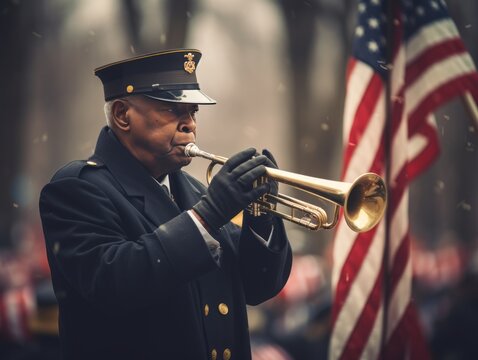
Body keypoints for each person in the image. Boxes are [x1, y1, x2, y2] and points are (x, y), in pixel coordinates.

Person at [39, 48, 292, 360]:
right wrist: (208, 216)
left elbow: (258, 287)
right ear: (122, 114)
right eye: (174, 110)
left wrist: (261, 216)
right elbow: (114, 285)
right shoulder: (76, 188)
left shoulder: (196, 192)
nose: (190, 125)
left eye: (193, 113)